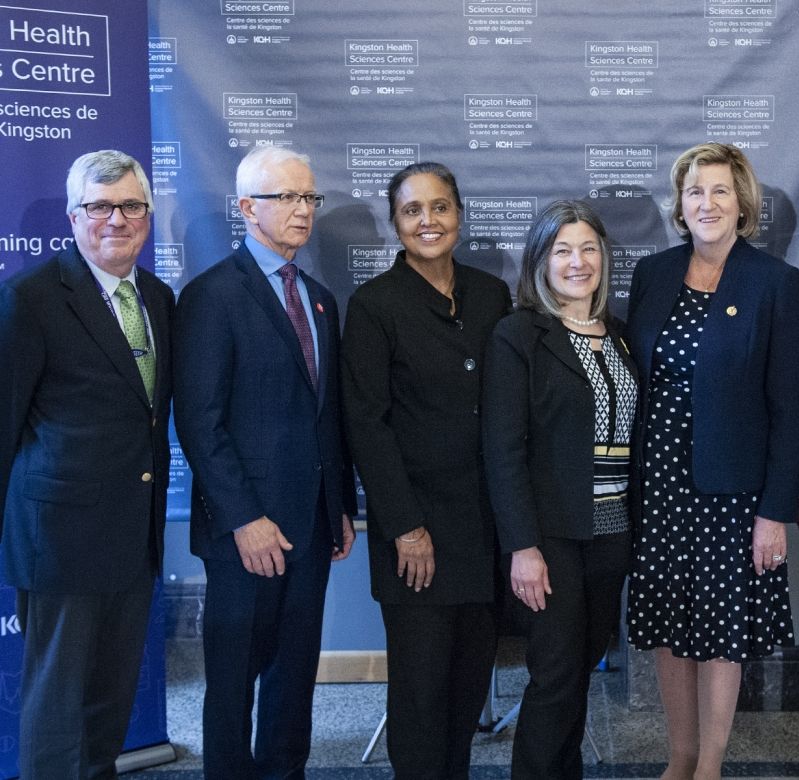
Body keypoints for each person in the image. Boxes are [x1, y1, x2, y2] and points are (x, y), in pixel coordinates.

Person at [624, 142, 799, 779]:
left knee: (720, 629)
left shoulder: (777, 283)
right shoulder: (652, 274)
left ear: (742, 204)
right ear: (680, 203)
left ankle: (710, 764)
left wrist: (775, 512)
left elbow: (790, 411)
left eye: (721, 191)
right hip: (658, 485)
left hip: (733, 495)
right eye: (695, 191)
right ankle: (679, 757)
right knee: (669, 623)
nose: (707, 203)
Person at [173, 146, 356, 779]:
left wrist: (339, 507)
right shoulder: (210, 296)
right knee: (232, 683)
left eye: (310, 198)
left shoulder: (320, 298)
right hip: (244, 534)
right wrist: (244, 518)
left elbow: (324, 415)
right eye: (289, 198)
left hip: (310, 527)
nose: (304, 211)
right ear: (249, 208)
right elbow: (199, 421)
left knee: (294, 676)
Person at [0, 150, 172, 779]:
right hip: (61, 540)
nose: (116, 219)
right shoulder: (30, 299)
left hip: (133, 534)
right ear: (74, 217)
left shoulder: (158, 297)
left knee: (109, 703)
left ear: (147, 216)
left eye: (130, 205)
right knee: (56, 708)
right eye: (100, 207)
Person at [341, 161, 511, 779]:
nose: (427, 221)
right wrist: (406, 527)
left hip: (484, 531)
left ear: (459, 215)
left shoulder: (490, 294)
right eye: (412, 211)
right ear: (395, 224)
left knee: (468, 691)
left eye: (439, 207)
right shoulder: (373, 305)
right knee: (419, 695)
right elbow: (366, 425)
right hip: (416, 536)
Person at [483, 200, 637, 779]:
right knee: (555, 677)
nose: (578, 262)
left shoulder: (620, 337)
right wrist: (522, 546)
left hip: (611, 535)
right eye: (563, 250)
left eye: (589, 249)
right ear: (541, 261)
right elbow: (504, 450)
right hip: (549, 539)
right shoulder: (519, 335)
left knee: (581, 672)